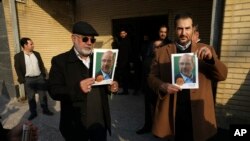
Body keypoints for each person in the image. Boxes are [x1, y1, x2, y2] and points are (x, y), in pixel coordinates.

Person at [148, 12, 228, 141]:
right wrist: (162, 85)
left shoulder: (206, 50)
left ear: (193, 29)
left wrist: (211, 60)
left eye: (187, 28)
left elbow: (222, 75)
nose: (183, 33)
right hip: (172, 112)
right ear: (174, 29)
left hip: (197, 115)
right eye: (180, 28)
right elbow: (151, 78)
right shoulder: (162, 52)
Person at [48, 21, 119, 141]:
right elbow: (54, 91)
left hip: (99, 122)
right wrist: (77, 88)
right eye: (85, 39)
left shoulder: (99, 59)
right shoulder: (60, 61)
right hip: (76, 125)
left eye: (92, 40)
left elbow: (103, 84)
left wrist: (110, 88)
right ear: (74, 38)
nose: (89, 43)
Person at [14, 37, 54, 121]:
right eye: (31, 44)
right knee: (31, 97)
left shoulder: (36, 54)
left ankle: (45, 110)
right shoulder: (18, 56)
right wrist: (23, 80)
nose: (33, 45)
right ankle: (33, 112)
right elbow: (17, 68)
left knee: (43, 95)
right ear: (25, 45)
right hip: (28, 80)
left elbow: (41, 65)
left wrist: (43, 75)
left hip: (39, 78)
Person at [136, 38, 160, 134]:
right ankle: (147, 126)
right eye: (155, 47)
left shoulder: (167, 59)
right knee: (148, 110)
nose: (157, 48)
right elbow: (143, 74)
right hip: (149, 89)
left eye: (159, 47)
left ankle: (158, 129)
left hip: (162, 90)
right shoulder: (148, 59)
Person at [112, 29, 131, 95]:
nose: (122, 34)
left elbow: (129, 52)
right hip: (122, 62)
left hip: (125, 63)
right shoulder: (121, 41)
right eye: (121, 33)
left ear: (126, 33)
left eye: (123, 33)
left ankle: (126, 91)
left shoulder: (128, 41)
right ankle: (125, 90)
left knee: (125, 77)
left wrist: (130, 62)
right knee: (123, 77)